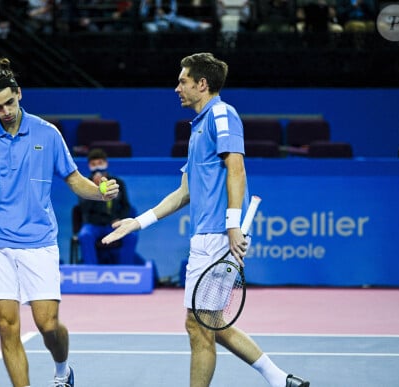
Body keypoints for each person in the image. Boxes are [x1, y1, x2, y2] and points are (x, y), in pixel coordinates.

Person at [101, 52, 309, 387]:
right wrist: (137, 222)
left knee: (197, 325)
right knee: (209, 321)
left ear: (202, 84)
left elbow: (236, 167)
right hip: (208, 234)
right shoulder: (198, 127)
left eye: (182, 81)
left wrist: (231, 224)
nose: (176, 88)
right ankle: (280, 379)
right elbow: (184, 193)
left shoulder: (222, 114)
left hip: (216, 235)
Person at [0, 56, 119, 387]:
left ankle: (62, 370)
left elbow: (73, 179)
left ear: (19, 93)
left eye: (10, 102)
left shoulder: (47, 133)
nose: (6, 111)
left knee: (48, 325)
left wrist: (100, 192)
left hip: (39, 244)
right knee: (6, 325)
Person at [77, 148, 138, 265]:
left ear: (106, 163)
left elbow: (126, 206)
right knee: (84, 235)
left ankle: (125, 270)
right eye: (93, 164)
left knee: (131, 235)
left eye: (100, 163)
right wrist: (95, 188)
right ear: (89, 166)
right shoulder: (84, 184)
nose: (97, 167)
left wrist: (119, 219)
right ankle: (91, 272)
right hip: (93, 225)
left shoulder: (118, 183)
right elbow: (83, 209)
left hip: (114, 224)